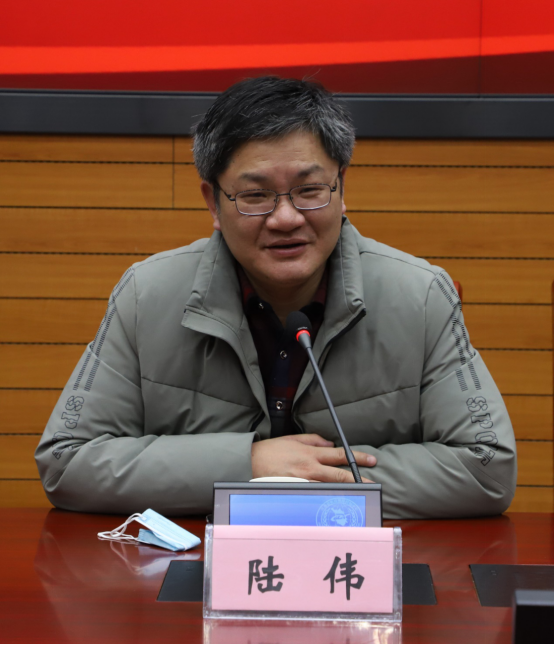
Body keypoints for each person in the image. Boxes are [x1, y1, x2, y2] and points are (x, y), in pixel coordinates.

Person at [35, 76, 517, 518]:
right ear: (213, 203)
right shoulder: (147, 296)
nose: (286, 218)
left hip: (356, 573)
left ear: (342, 188)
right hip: (198, 572)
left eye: (309, 190)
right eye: (256, 196)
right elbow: (67, 460)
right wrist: (248, 464)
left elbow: (486, 467)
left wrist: (305, 480)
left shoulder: (420, 296)